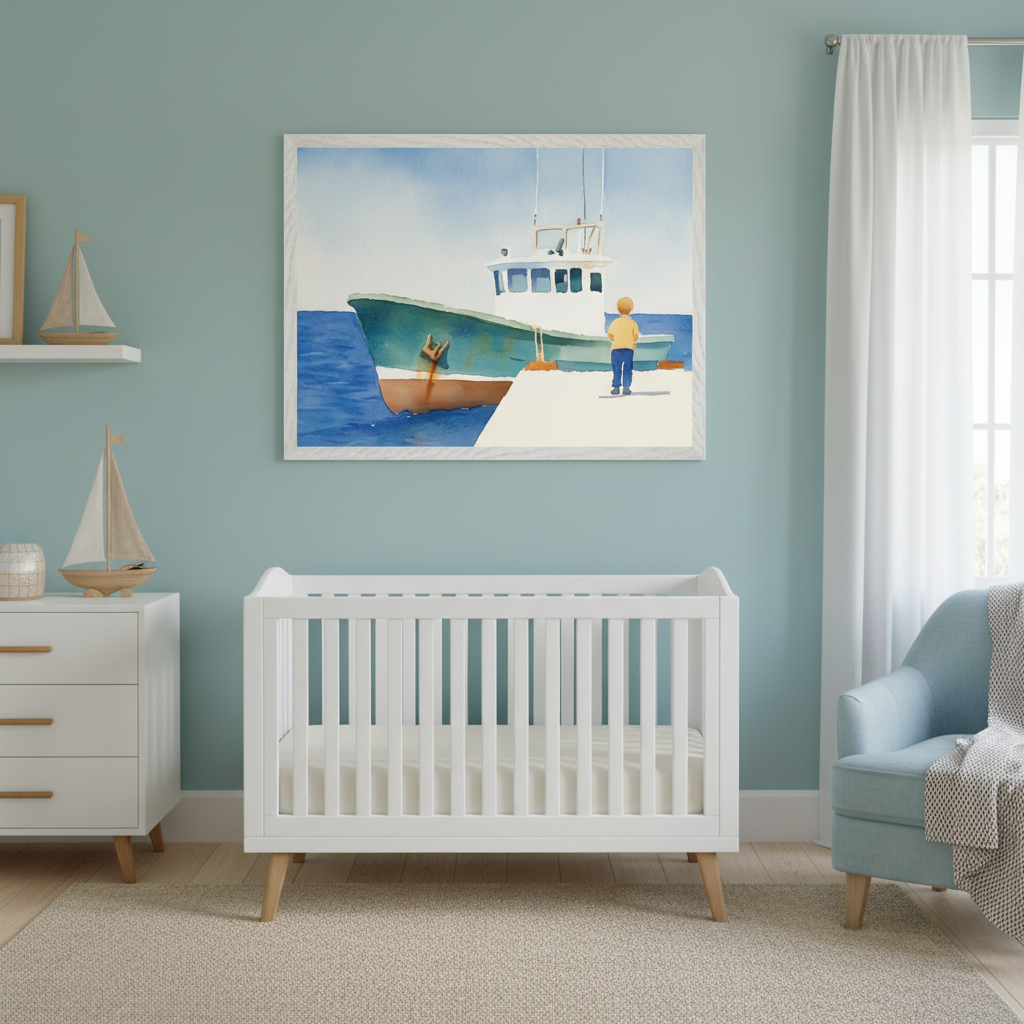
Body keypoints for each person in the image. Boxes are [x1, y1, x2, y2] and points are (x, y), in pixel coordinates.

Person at [607, 296, 639, 395]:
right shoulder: (633, 323)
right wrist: (629, 341)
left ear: (618, 309)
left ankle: (616, 388)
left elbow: (610, 335)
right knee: (627, 368)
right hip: (628, 349)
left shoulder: (615, 322)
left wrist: (617, 340)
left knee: (616, 368)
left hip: (616, 349)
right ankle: (626, 388)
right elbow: (636, 336)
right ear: (631, 309)